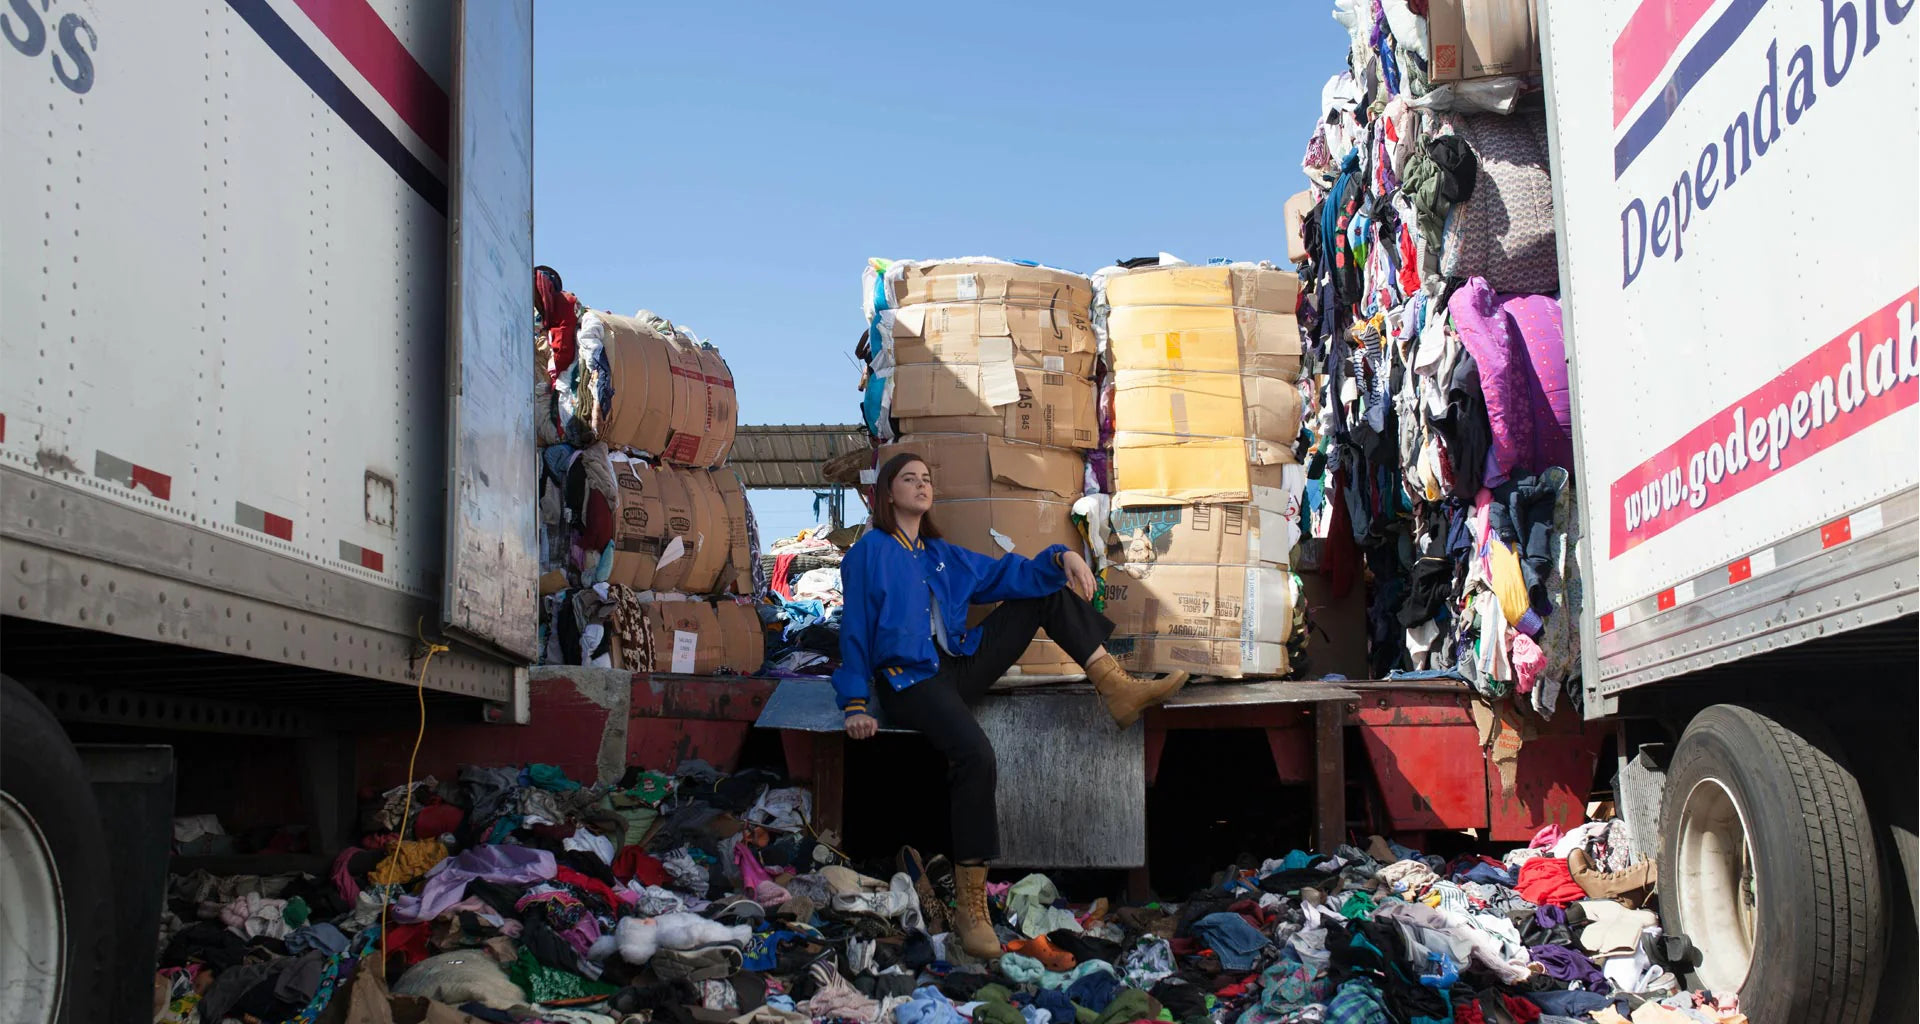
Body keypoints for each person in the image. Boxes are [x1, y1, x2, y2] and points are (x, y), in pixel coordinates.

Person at [832, 453, 1188, 958]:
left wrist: (1061, 558)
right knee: (976, 755)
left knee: (1041, 591)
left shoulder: (940, 555)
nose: (920, 485)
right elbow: (854, 629)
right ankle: (971, 909)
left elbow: (1005, 574)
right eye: (908, 479)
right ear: (888, 494)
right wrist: (853, 703)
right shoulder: (870, 552)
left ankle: (1115, 684)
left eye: (927, 478)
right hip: (908, 681)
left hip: (957, 669)